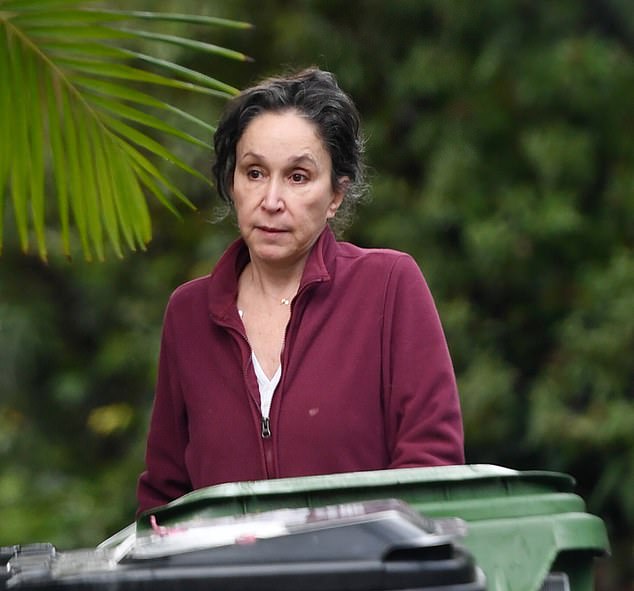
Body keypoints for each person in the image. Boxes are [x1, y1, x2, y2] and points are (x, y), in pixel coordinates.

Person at [137, 67, 464, 513]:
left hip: (365, 575)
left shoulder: (388, 285)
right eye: (254, 173)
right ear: (232, 183)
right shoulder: (189, 313)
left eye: (297, 177)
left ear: (335, 195)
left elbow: (432, 466)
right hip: (228, 581)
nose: (271, 200)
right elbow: (164, 497)